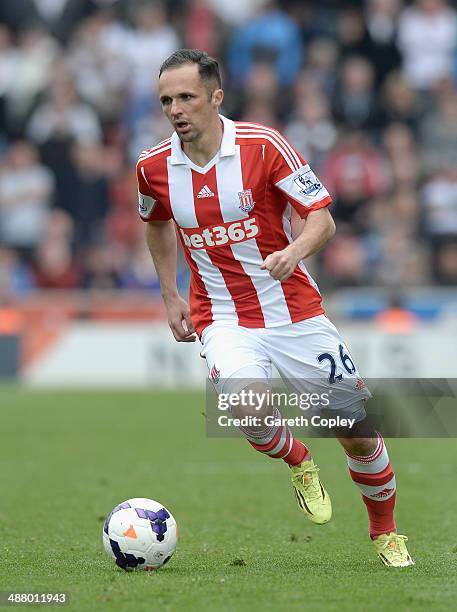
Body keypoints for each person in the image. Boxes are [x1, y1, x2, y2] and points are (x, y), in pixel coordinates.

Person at [136, 48, 414, 568]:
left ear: (216, 97)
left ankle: (386, 533)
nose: (175, 109)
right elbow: (154, 221)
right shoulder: (152, 167)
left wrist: (294, 250)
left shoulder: (264, 147)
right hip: (221, 315)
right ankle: (300, 461)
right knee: (248, 405)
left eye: (187, 97)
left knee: (357, 434)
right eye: (166, 100)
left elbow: (322, 219)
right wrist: (170, 293)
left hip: (295, 311)